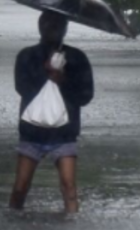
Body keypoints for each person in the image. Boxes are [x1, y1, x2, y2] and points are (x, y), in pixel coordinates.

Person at [9, 11, 95, 213]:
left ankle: (72, 229)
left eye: (57, 25)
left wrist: (63, 80)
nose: (51, 29)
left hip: (64, 133)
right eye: (47, 24)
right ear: (39, 26)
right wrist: (44, 73)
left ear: (65, 29)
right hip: (32, 132)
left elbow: (85, 96)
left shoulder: (76, 58)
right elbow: (22, 88)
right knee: (20, 189)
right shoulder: (27, 56)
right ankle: (12, 224)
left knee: (69, 189)